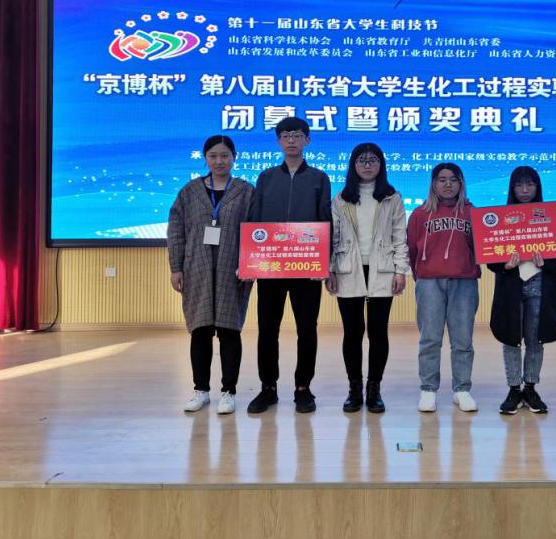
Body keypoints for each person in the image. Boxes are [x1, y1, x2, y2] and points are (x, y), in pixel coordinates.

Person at [246, 117, 332, 414]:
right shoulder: (266, 177)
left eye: (297, 135)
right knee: (267, 329)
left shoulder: (319, 178)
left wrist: (324, 263)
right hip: (270, 266)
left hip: (306, 267)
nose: (291, 140)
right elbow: (255, 221)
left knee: (307, 329)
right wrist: (250, 263)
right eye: (285, 136)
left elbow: (325, 221)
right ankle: (268, 388)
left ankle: (303, 388)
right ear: (279, 142)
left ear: (307, 140)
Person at [168, 135, 255, 415]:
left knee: (230, 331)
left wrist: (251, 264)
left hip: (234, 271)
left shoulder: (245, 191)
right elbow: (176, 231)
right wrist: (176, 267)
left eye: (225, 155)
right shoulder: (190, 191)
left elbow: (256, 231)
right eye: (213, 156)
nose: (219, 161)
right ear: (205, 158)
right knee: (201, 331)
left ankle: (228, 392)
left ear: (234, 158)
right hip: (197, 268)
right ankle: (201, 390)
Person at [326, 143, 409, 414]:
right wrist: (330, 269)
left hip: (382, 269)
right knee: (352, 333)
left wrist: (400, 270)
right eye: (362, 160)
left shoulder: (392, 197)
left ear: (381, 165)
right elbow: (333, 237)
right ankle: (354, 389)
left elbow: (400, 236)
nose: (367, 165)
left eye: (373, 160)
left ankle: (374, 389)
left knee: (377, 331)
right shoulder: (341, 198)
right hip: (348, 268)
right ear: (353, 165)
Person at [487, 166, 556, 415]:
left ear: (537, 187)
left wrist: (547, 261)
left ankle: (530, 387)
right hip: (511, 288)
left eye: (530, 184)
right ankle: (514, 388)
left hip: (540, 287)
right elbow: (491, 258)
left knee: (535, 339)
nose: (524, 190)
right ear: (512, 188)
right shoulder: (501, 217)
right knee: (511, 337)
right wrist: (504, 264)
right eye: (519, 185)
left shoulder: (550, 217)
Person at [408, 163, 482, 413]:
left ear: (461, 183)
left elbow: (482, 248)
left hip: (464, 282)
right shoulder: (419, 214)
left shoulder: (473, 213)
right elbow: (412, 249)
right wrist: (421, 275)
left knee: (463, 339)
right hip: (429, 282)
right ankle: (428, 389)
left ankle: (462, 390)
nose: (447, 184)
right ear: (433, 184)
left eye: (453, 179)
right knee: (430, 338)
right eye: (442, 179)